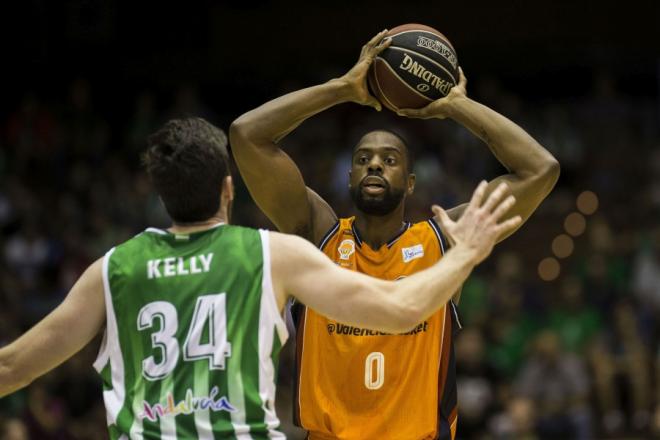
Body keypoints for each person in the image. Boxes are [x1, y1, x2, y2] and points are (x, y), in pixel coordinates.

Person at [0, 118, 521, 439]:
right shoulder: (270, 254)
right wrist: (466, 253)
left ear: (161, 195)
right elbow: (403, 308)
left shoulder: (113, 269)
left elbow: (13, 366)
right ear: (229, 190)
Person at [229, 30, 559, 439]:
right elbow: (247, 135)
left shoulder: (446, 240)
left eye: (390, 160)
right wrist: (341, 89)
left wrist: (457, 106)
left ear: (412, 182)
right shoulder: (317, 234)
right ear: (349, 175)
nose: (375, 166)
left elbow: (540, 170)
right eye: (363, 159)